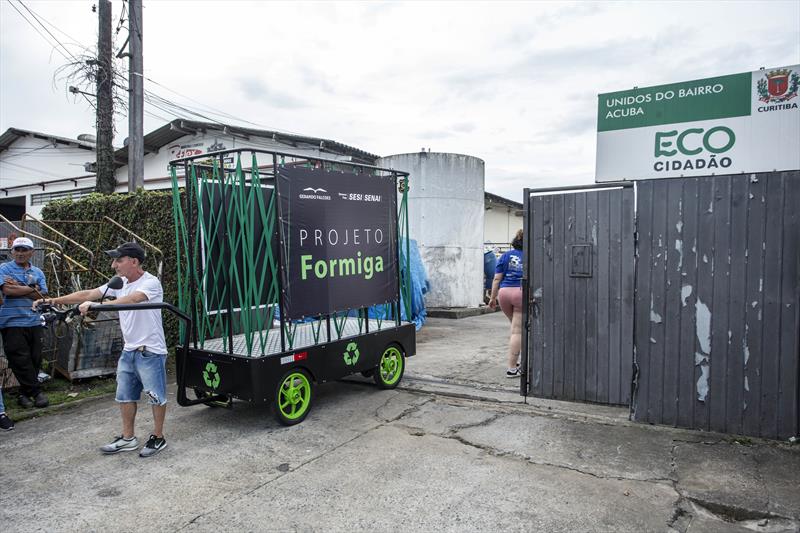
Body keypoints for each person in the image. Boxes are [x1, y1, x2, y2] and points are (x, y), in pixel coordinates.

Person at [34, 242, 169, 457]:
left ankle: (158, 437)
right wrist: (52, 300)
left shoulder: (150, 282)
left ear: (133, 262)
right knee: (124, 395)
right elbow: (87, 293)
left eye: (119, 260)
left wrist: (99, 306)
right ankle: (127, 438)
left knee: (155, 395)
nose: (113, 264)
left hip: (150, 350)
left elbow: (133, 300)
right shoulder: (119, 282)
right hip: (129, 350)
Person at [0, 237, 49, 408]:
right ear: (12, 251)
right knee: (19, 358)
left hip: (34, 320)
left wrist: (19, 288)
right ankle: (36, 392)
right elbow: (7, 290)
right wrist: (33, 288)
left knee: (35, 359)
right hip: (11, 321)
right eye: (17, 250)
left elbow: (43, 296)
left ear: (31, 252)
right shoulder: (4, 268)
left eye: (24, 250)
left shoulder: (38, 272)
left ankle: (24, 394)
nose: (20, 253)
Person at [488, 229, 524, 378]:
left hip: (504, 293)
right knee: (518, 331)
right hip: (520, 292)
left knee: (515, 328)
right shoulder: (533, 256)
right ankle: (512, 368)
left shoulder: (505, 256)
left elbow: (496, 279)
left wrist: (492, 297)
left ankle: (515, 361)